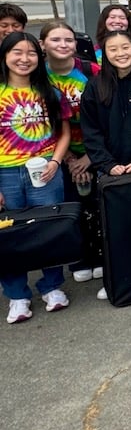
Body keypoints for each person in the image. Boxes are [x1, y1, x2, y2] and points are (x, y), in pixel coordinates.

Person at [80, 31, 131, 300]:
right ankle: (116, 274)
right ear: (104, 53)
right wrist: (107, 164)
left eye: (125, 47)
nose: (120, 53)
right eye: (113, 49)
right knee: (114, 227)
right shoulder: (95, 86)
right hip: (110, 172)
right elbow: (90, 131)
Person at [0, 32, 71, 323]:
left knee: (48, 230)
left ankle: (52, 286)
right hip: (5, 173)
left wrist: (56, 161)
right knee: (8, 235)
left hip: (44, 169)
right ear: (5, 55)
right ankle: (17, 295)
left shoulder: (49, 91)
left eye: (31, 53)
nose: (24, 59)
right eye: (17, 52)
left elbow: (64, 132)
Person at [40, 21, 103, 284]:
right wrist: (68, 158)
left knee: (97, 206)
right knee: (69, 207)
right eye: (56, 40)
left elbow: (108, 117)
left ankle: (100, 256)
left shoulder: (92, 72)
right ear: (43, 44)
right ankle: (78, 259)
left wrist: (89, 158)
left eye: (68, 40)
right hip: (56, 154)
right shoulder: (36, 76)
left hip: (95, 150)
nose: (63, 45)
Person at [94, 4, 131, 71]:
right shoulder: (95, 52)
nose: (118, 21)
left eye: (122, 18)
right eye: (112, 17)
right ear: (104, 21)